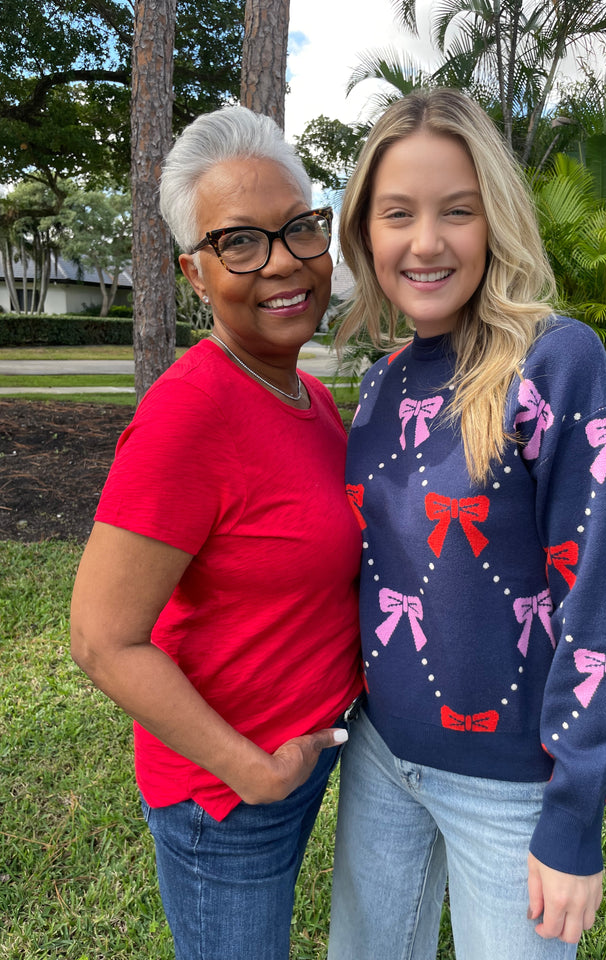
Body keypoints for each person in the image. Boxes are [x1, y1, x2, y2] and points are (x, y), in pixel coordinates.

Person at [327, 89, 606, 960]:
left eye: (456, 211)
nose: (425, 242)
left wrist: (575, 812)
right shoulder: (381, 383)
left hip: (512, 788)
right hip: (383, 759)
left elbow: (598, 596)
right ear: (367, 233)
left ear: (494, 219)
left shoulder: (557, 362)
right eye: (399, 214)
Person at [70, 104, 363, 960]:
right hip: (227, 798)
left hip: (309, 746)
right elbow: (100, 639)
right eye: (240, 242)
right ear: (196, 275)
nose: (283, 264)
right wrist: (249, 769)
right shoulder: (189, 415)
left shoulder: (305, 395)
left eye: (300, 229)